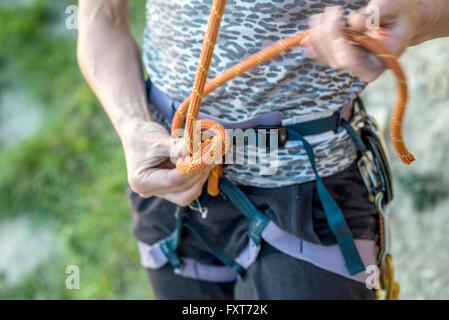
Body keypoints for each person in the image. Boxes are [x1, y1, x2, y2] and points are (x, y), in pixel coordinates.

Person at [77, 0, 449, 300]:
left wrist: (420, 14)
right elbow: (100, 15)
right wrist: (132, 125)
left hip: (312, 188)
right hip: (173, 177)